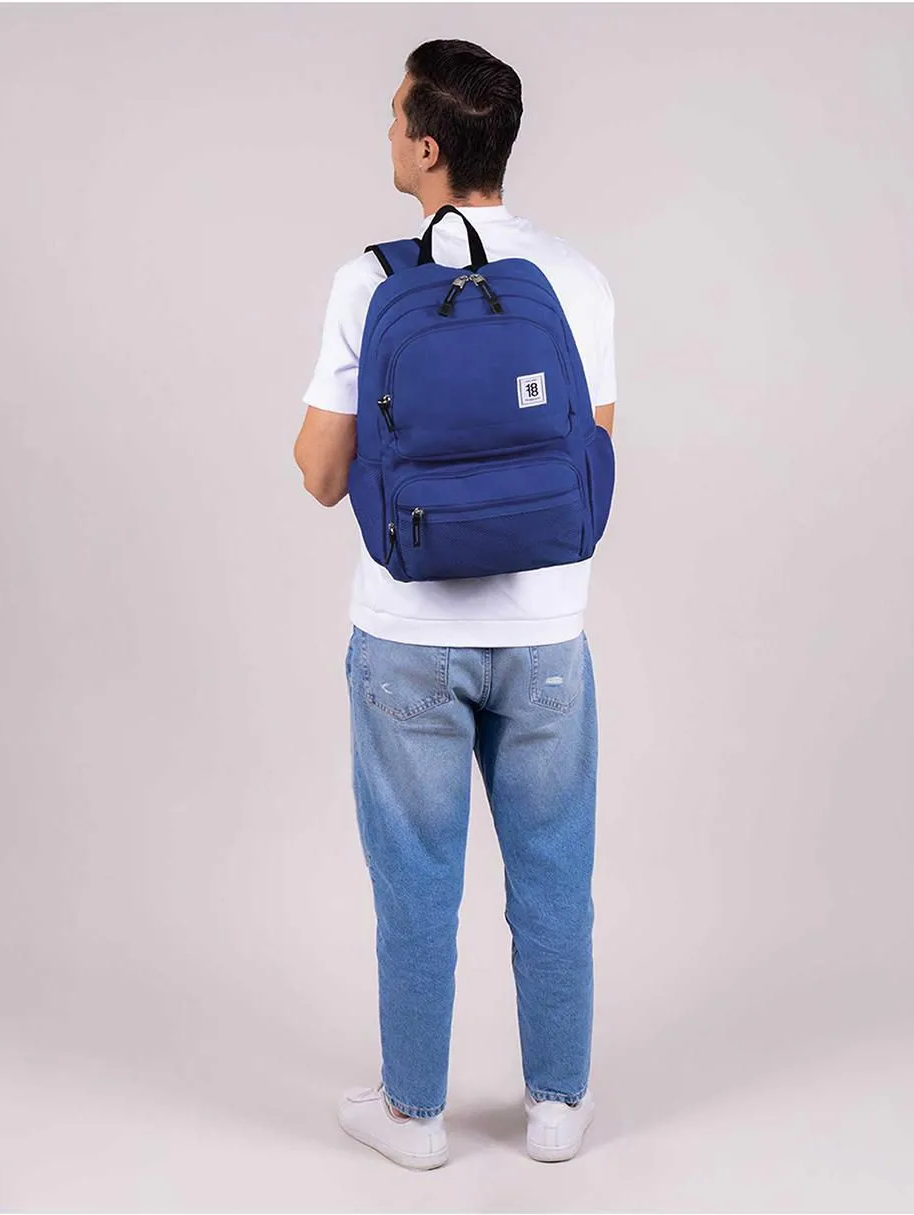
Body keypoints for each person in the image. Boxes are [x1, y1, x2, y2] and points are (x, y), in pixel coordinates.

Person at [293, 39, 616, 1170]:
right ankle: (558, 1109)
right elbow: (590, 461)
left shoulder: (369, 281)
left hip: (406, 634)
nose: (387, 134)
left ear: (428, 148)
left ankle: (415, 1117)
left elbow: (321, 474)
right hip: (546, 635)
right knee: (555, 874)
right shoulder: (575, 279)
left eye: (396, 119)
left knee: (417, 883)